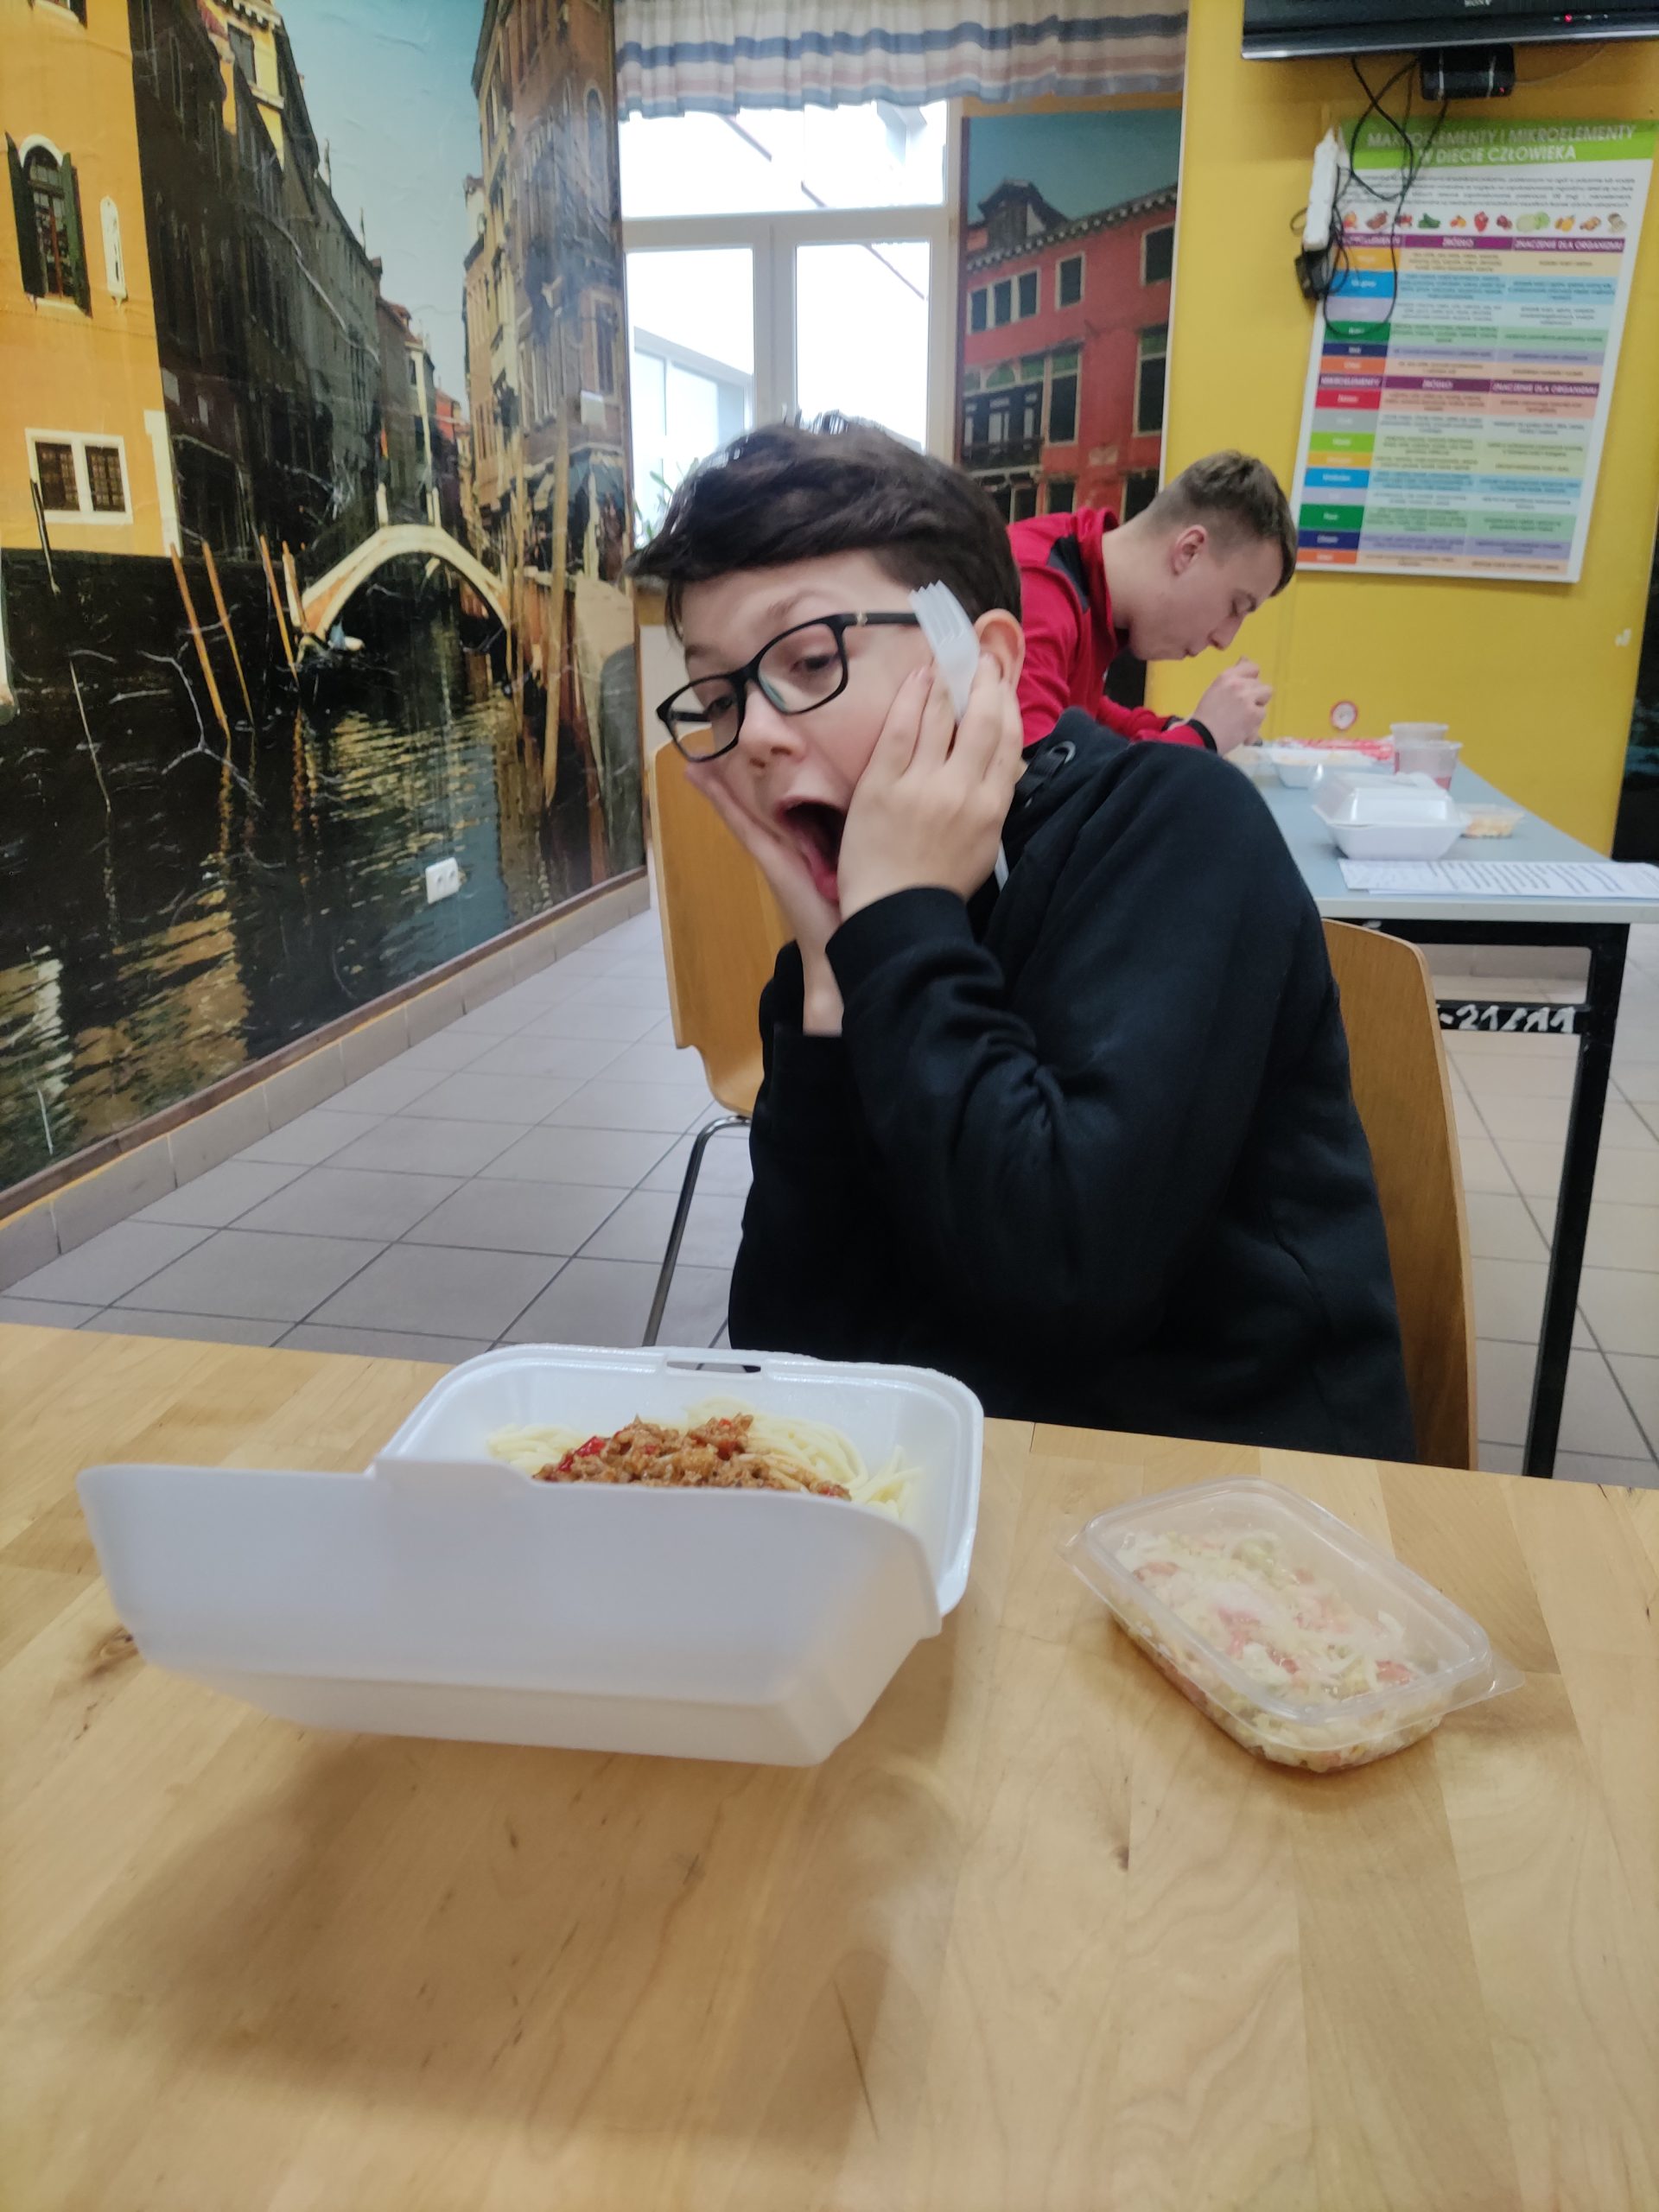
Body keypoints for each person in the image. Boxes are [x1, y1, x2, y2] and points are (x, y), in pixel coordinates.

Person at [626, 418, 1414, 1459]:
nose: (756, 735)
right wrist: (827, 995)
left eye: (810, 659)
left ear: (981, 661)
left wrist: (897, 929)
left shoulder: (1179, 827)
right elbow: (792, 1351)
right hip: (975, 1483)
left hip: (1232, 1489)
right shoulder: (853, 948)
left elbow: (1066, 1286)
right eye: (718, 695)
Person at [1010, 452, 1294, 754]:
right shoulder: (1037, 586)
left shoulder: (1086, 575)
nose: (1224, 640)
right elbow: (1036, 771)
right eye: (1235, 607)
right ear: (1189, 551)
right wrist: (1202, 735)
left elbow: (1080, 713)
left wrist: (1174, 728)